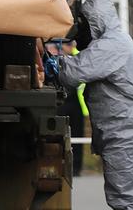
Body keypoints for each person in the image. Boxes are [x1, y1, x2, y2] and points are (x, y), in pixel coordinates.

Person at [59, 0, 133, 210]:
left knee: (126, 202)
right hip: (126, 129)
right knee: (122, 199)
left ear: (95, 20)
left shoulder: (111, 45)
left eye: (84, 24)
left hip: (126, 131)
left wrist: (52, 61)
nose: (80, 32)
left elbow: (72, 74)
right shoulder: (114, 41)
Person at [46, 39, 88, 176]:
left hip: (76, 102)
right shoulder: (55, 58)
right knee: (57, 136)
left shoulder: (78, 57)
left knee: (77, 136)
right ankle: (57, 165)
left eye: (71, 44)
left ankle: (76, 168)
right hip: (62, 101)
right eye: (67, 44)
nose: (70, 46)